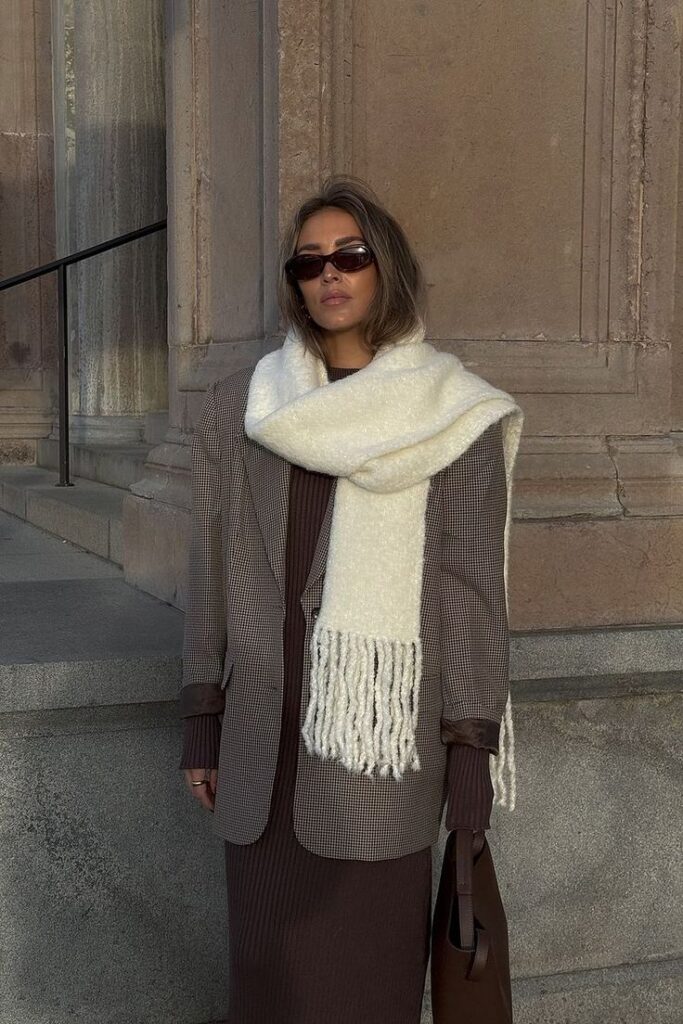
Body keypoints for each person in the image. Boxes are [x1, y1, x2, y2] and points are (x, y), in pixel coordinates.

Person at [179, 175, 523, 1024]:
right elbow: (208, 570)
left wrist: (470, 754)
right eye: (308, 263)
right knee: (266, 992)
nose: (328, 273)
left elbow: (469, 595)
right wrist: (201, 716)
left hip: (378, 757)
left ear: (385, 267)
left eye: (350, 255)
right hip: (261, 752)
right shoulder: (241, 409)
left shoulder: (454, 416)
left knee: (364, 992)